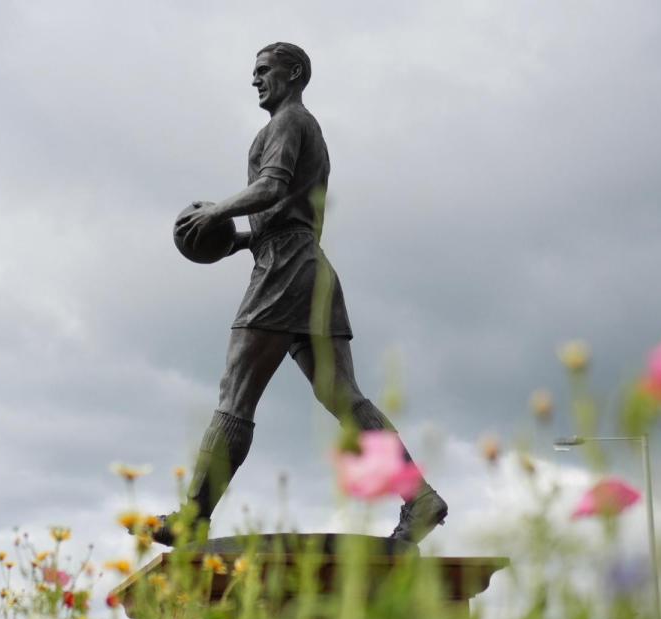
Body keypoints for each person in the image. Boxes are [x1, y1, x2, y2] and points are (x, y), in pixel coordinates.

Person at [156, 42, 447, 546]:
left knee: (235, 393)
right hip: (308, 264)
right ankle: (418, 496)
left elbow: (272, 187)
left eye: (264, 70)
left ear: (294, 73)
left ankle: (194, 518)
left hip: (286, 266)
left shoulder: (288, 123)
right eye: (254, 72)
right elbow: (285, 208)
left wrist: (216, 213)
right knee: (342, 397)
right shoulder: (302, 128)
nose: (255, 80)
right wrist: (243, 238)